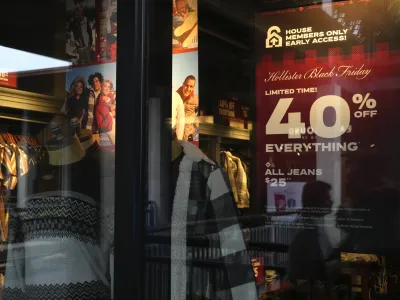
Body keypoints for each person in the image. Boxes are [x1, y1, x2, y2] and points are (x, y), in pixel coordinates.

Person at [287, 181, 340, 300]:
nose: (331, 202)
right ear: (315, 201)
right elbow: (318, 269)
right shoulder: (309, 229)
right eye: (327, 198)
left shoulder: (315, 223)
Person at [176, 75, 198, 140]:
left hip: (188, 136)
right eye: (186, 85)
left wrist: (194, 128)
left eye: (191, 86)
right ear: (183, 84)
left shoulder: (196, 99)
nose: (188, 89)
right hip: (175, 135)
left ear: (194, 87)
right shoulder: (175, 96)